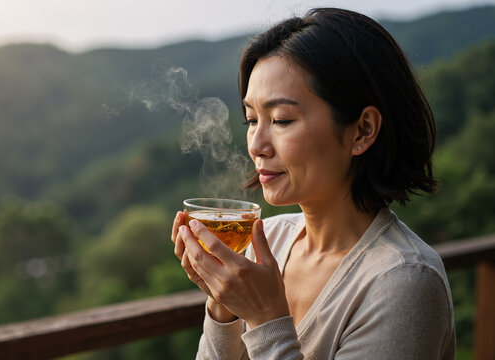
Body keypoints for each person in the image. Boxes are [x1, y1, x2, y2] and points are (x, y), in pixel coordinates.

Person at [171, 8, 455, 359]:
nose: (257, 145)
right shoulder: (267, 241)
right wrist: (223, 307)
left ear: (362, 130)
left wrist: (264, 320)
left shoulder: (403, 281)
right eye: (250, 119)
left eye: (281, 119)